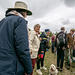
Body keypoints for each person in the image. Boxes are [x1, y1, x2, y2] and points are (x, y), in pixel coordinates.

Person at [0, 1, 32, 75]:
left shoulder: (2, 21)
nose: (26, 16)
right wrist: (29, 69)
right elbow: (23, 49)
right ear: (24, 12)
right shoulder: (20, 21)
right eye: (26, 13)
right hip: (12, 67)